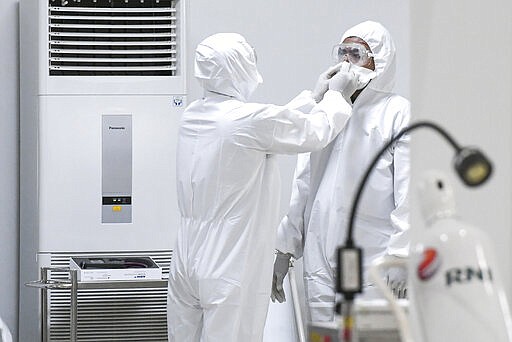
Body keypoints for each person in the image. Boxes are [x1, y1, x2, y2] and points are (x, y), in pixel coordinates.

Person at [167, 32, 360, 342]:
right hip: (228, 264)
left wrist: (312, 97)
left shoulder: (193, 115)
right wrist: (336, 96)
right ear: (238, 68)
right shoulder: (247, 121)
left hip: (186, 262)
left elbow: (267, 126)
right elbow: (314, 131)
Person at [271, 21, 411, 322]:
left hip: (372, 258)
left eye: (356, 54)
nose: (346, 62)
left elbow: (407, 189)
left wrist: (401, 254)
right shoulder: (328, 110)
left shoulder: (397, 111)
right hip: (318, 256)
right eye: (342, 53)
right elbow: (304, 184)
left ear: (379, 61)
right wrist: (285, 248)